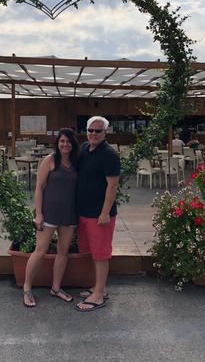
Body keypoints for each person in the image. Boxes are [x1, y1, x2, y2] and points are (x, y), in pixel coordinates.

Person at [22, 128, 80, 308]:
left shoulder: (77, 162)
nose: (65, 144)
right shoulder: (49, 160)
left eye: (68, 141)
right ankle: (27, 288)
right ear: (58, 143)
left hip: (70, 214)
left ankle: (56, 288)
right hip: (49, 213)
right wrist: (38, 214)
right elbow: (39, 188)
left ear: (73, 144)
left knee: (63, 251)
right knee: (40, 251)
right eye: (62, 141)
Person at [75, 116, 120, 312]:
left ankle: (99, 295)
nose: (93, 134)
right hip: (84, 211)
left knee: (101, 254)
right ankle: (97, 287)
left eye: (97, 131)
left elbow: (112, 185)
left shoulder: (109, 154)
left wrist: (104, 213)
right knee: (91, 252)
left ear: (105, 133)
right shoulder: (84, 148)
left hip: (99, 215)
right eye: (90, 130)